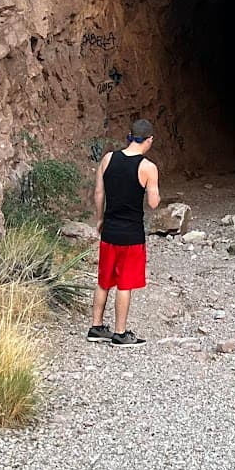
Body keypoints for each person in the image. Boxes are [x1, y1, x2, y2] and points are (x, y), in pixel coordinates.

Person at [87, 119, 159, 346]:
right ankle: (120, 333)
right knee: (124, 284)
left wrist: (100, 219)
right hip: (132, 235)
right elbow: (154, 203)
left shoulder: (108, 159)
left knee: (104, 281)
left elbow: (99, 193)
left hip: (109, 231)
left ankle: (96, 327)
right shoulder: (148, 167)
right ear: (149, 140)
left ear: (129, 136)